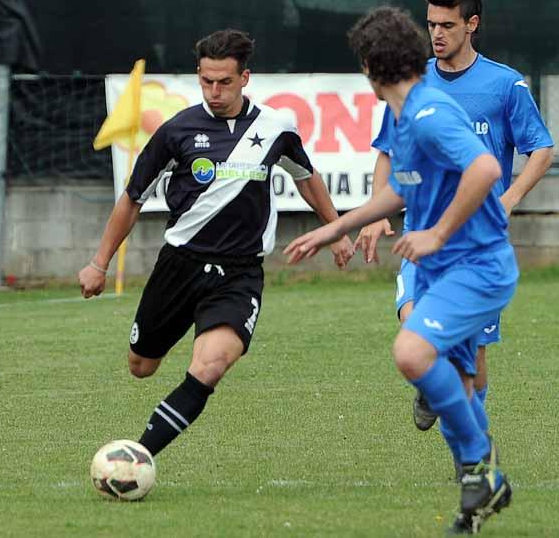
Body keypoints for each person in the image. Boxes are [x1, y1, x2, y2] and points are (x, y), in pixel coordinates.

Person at [285, 6, 517, 535]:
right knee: (457, 382)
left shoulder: (431, 114)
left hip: (476, 267)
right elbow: (400, 189)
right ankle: (476, 498)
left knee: (411, 352)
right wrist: (335, 227)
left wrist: (436, 232)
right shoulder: (401, 113)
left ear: (370, 67)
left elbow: (486, 167)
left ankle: (481, 463)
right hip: (439, 269)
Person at [78, 29, 354, 459]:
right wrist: (99, 263)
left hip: (240, 274)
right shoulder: (177, 131)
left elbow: (307, 178)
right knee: (141, 367)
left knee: (209, 367)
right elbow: (132, 199)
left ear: (245, 77)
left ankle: (139, 456)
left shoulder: (275, 127)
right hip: (179, 266)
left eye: (224, 82)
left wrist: (336, 230)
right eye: (206, 81)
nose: (214, 91)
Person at [355, 0, 554, 449]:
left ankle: (471, 453)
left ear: (472, 24)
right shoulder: (412, 80)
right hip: (422, 235)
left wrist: (509, 197)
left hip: (477, 243)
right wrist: (374, 210)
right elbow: (387, 150)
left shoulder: (505, 84)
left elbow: (541, 149)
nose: (437, 34)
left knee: (473, 365)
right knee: (414, 323)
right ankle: (440, 395)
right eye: (430, 25)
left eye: (447, 24)